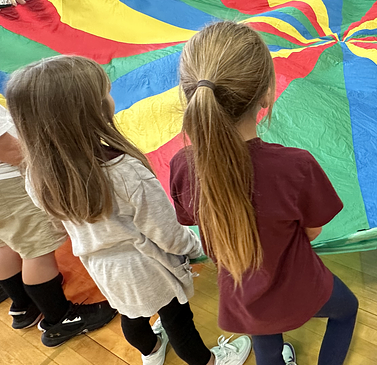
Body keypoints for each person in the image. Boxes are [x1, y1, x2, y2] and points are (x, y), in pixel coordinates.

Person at [5, 55, 251, 365]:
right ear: (88, 110)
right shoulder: (124, 170)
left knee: (131, 315)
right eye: (104, 92)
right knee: (177, 318)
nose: (111, 97)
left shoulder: (36, 174)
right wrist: (195, 246)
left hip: (102, 267)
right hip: (147, 265)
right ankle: (209, 361)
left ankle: (149, 352)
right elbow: (166, 232)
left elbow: (57, 222)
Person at [171, 21, 359, 365]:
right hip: (296, 283)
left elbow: (190, 220)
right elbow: (313, 232)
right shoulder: (295, 167)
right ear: (267, 94)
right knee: (347, 310)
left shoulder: (182, 166)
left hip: (244, 291)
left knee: (265, 341)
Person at [0, 104, 117, 347]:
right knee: (37, 250)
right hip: (9, 181)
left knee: (5, 244)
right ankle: (61, 317)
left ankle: (24, 304)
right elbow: (9, 149)